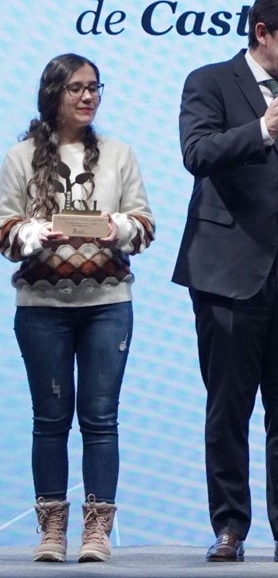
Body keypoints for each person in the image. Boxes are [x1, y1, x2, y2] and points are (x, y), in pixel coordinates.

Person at [172, 0, 278, 563]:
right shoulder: (209, 82)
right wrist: (264, 129)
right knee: (228, 407)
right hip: (227, 272)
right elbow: (197, 153)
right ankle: (229, 527)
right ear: (261, 32)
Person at [0, 54, 154, 564]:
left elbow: (145, 225)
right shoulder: (21, 157)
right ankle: (50, 533)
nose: (88, 97)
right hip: (42, 306)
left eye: (94, 88)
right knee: (49, 419)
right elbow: (3, 230)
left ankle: (96, 533)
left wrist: (119, 229)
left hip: (107, 305)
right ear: (53, 95)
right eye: (76, 89)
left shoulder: (118, 154)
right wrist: (29, 232)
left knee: (101, 419)